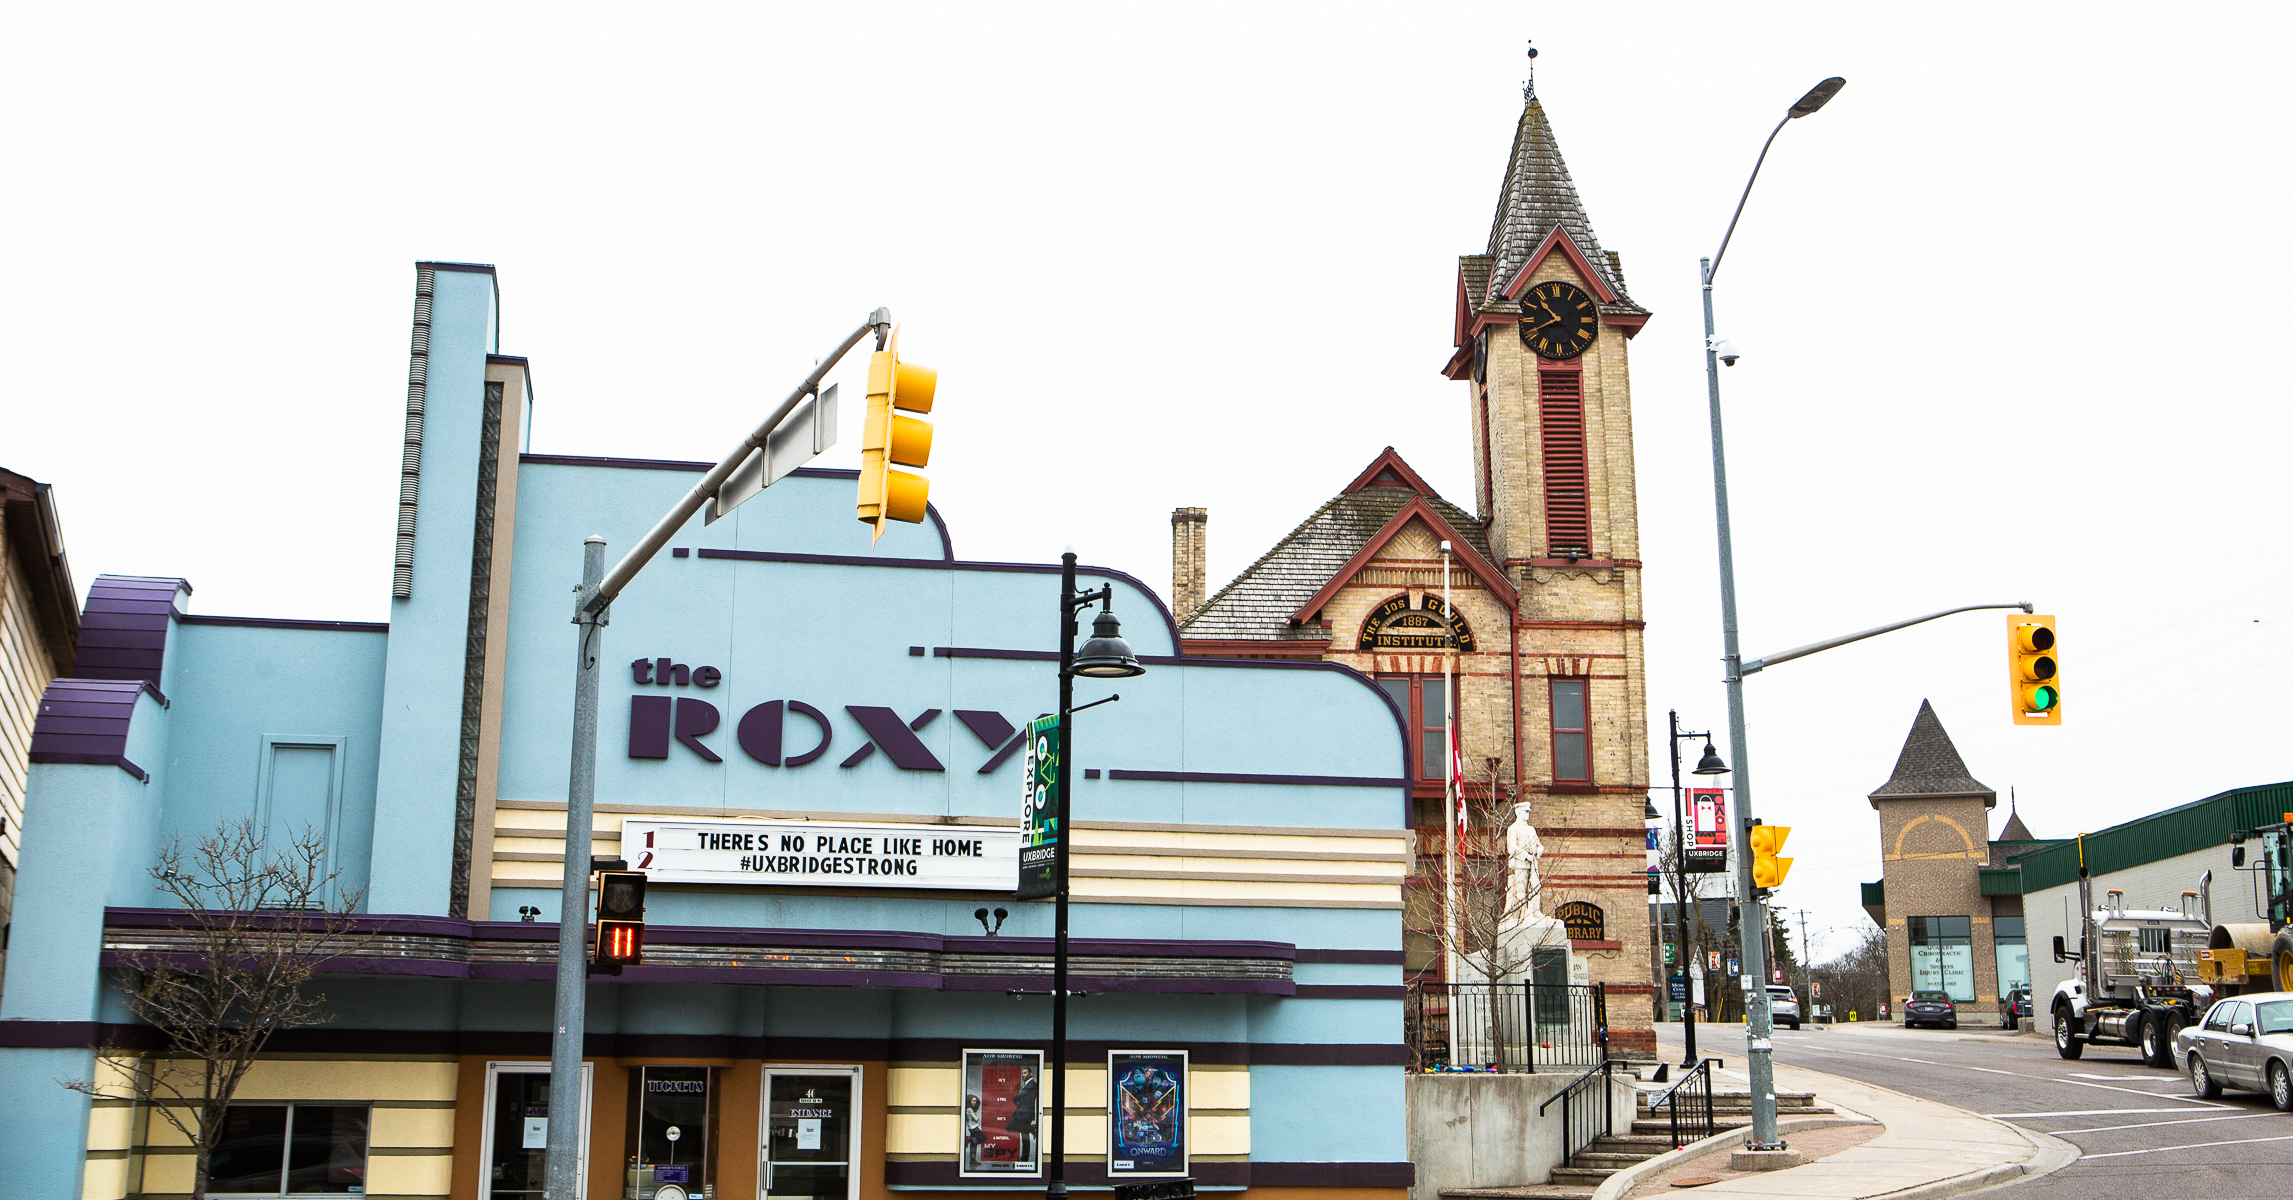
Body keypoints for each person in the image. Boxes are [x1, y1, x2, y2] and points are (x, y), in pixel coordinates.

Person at [1008, 1066, 1040, 1163]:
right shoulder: (1026, 1085)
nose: (1022, 1075)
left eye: (1025, 1073)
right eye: (1022, 1073)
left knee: (1024, 1137)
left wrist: (1016, 1097)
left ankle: (1024, 1159)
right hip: (1020, 1113)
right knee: (1009, 1127)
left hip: (1026, 1114)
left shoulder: (1032, 1085)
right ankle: (1031, 1129)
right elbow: (1018, 1098)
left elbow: (1019, 1096)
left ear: (1030, 1074)